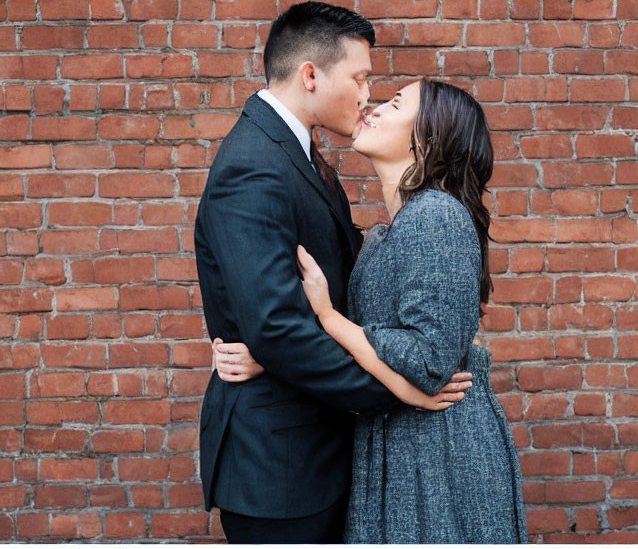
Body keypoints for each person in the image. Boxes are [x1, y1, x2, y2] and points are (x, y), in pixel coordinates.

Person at [194, 2, 472, 544]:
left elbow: (289, 321)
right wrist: (401, 388)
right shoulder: (254, 165)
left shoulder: (297, 156)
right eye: (361, 77)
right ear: (312, 75)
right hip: (282, 471)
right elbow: (275, 326)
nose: (367, 95)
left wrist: (270, 352)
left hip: (318, 455)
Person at [217, 78, 528, 543]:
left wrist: (328, 317)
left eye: (396, 103)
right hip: (400, 445)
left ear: (427, 136)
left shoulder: (436, 215)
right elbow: (375, 338)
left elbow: (427, 361)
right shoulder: (390, 232)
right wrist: (271, 355)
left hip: (438, 456)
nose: (374, 107)